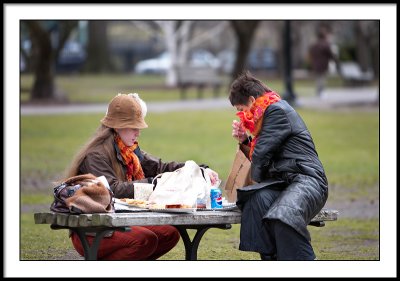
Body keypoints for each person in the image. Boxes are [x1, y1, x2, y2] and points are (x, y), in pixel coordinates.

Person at [65, 93, 219, 260]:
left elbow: (160, 167)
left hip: (118, 218)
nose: (138, 133)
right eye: (133, 127)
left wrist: (197, 169)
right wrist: (155, 183)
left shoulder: (130, 151)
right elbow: (113, 190)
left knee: (170, 234)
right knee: (145, 240)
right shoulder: (95, 155)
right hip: (92, 228)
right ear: (117, 127)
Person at [229, 71, 328, 260]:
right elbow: (264, 152)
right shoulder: (266, 115)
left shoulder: (277, 111)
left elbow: (261, 154)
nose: (242, 115)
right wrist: (245, 140)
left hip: (308, 180)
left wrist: (253, 181)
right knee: (255, 200)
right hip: (284, 183)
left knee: (283, 216)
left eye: (242, 108)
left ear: (252, 100)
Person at [309, 25, 340, 97]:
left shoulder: (314, 44)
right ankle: (321, 92)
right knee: (322, 78)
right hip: (323, 64)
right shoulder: (325, 44)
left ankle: (319, 92)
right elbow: (331, 54)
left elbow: (311, 53)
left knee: (318, 78)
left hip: (316, 64)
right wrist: (335, 60)